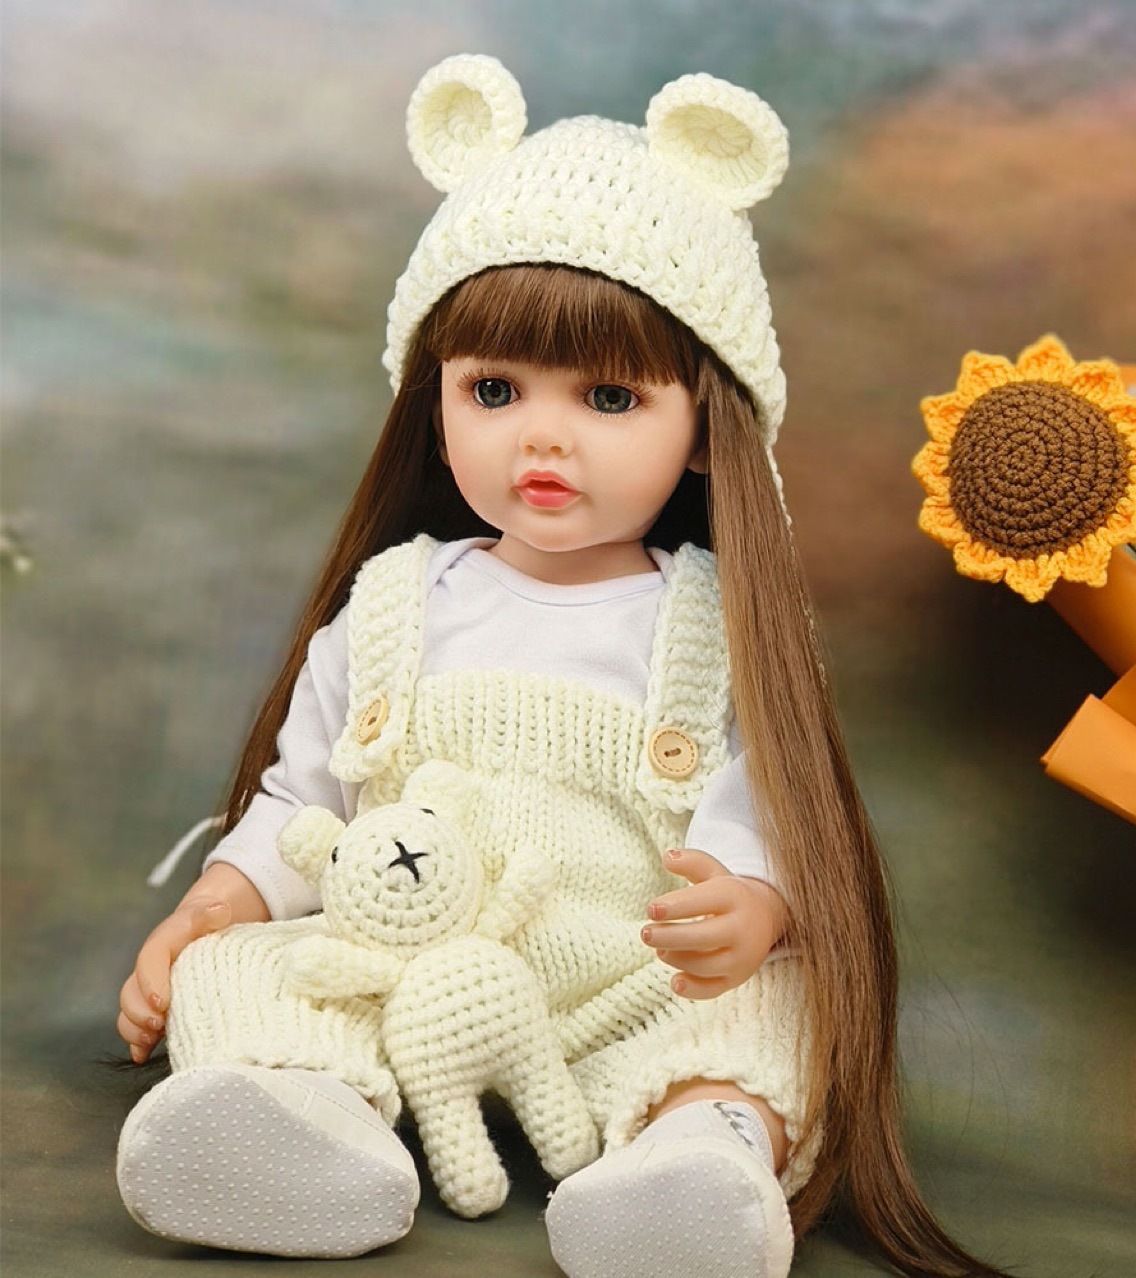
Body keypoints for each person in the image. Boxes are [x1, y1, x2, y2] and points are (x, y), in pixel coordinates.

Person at [115, 54, 992, 1278]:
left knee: (780, 1006)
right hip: (396, 976)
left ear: (706, 428)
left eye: (609, 399)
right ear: (432, 404)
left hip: (625, 989)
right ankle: (304, 1123)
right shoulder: (392, 603)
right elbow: (300, 801)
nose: (542, 435)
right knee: (239, 968)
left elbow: (770, 818)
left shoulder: (717, 628)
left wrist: (757, 906)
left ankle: (690, 1163)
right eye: (493, 389)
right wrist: (218, 902)